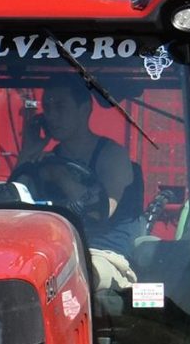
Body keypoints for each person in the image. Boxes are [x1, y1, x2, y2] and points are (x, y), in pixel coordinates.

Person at [16, 75, 140, 229]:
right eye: (47, 108)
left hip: (104, 241)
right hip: (59, 238)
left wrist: (60, 177)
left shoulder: (112, 156)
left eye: (60, 107)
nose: (51, 116)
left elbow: (100, 212)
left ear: (84, 109)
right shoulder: (49, 160)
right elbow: (12, 204)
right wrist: (28, 152)